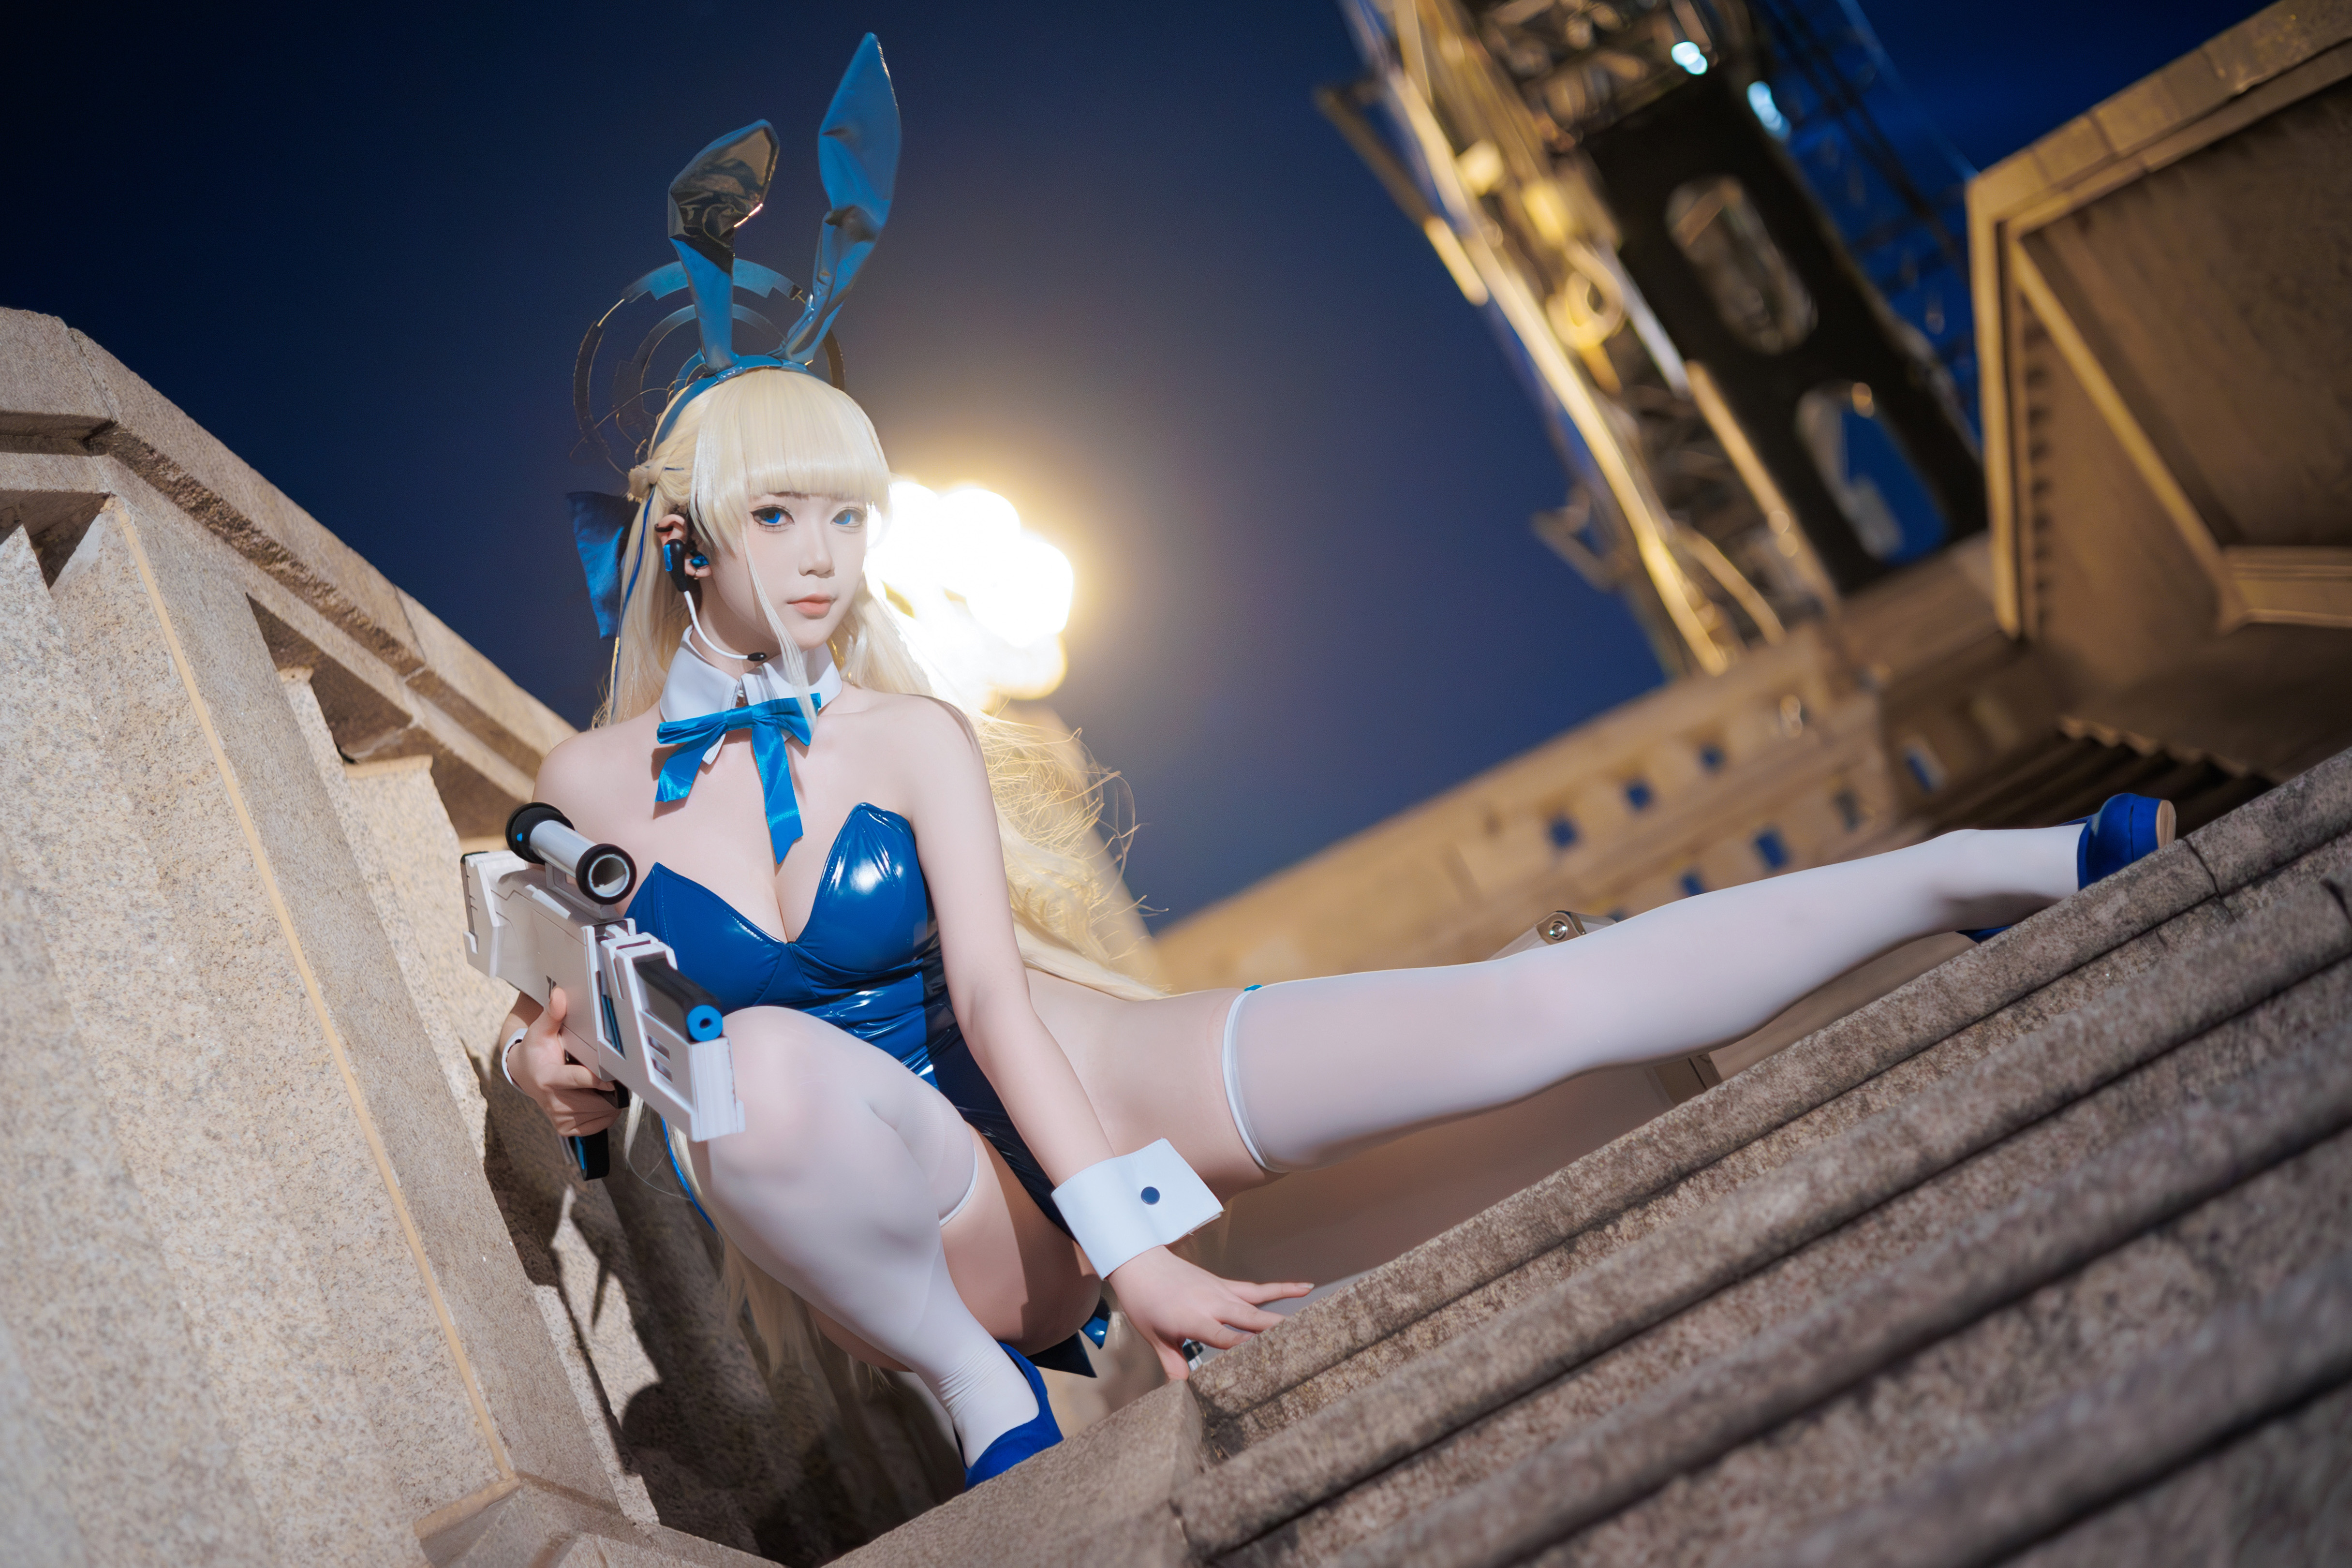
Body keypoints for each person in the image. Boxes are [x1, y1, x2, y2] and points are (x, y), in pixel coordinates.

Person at [500, 43, 2175, 1487]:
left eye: (850, 517)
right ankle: (977, 1389)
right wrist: (544, 1074)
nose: (824, 560)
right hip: (923, 1226)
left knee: (1520, 1016)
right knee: (755, 1072)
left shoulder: (905, 730)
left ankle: (1982, 871)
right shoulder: (585, 787)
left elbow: (1001, 1008)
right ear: (685, 536)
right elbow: (588, 1036)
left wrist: (1136, 1244)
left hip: (1087, 1092)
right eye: (779, 515)